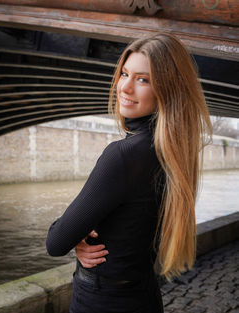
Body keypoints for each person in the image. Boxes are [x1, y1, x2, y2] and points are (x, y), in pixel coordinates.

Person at [46, 33, 212, 313]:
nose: (125, 87)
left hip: (101, 302)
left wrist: (76, 233)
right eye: (124, 73)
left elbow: (56, 241)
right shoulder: (174, 152)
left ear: (168, 89)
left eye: (143, 79)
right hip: (143, 296)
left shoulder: (123, 155)